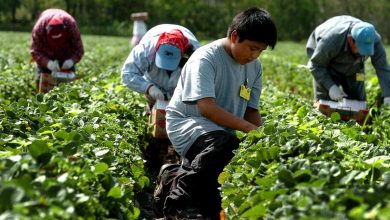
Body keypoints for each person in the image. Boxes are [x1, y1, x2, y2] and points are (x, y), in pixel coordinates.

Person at [158, 7, 277, 219]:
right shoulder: (206, 58)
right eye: (252, 48)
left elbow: (251, 111)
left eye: (260, 50)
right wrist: (250, 130)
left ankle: (170, 177)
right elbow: (207, 108)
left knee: (213, 198)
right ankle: (177, 205)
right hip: (187, 123)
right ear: (234, 36)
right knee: (226, 145)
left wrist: (263, 136)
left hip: (219, 132)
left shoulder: (255, 67)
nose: (255, 55)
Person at [306, 15, 390, 105]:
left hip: (355, 67)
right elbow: (316, 65)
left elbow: (383, 68)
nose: (363, 55)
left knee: (358, 104)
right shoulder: (331, 40)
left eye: (367, 52)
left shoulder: (374, 40)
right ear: (350, 40)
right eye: (361, 51)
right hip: (326, 62)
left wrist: (388, 96)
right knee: (325, 104)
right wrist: (330, 86)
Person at [121, 24, 200, 112]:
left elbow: (201, 82)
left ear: (182, 54)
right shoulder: (145, 50)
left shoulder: (196, 56)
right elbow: (128, 74)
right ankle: (152, 108)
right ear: (157, 48)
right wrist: (148, 87)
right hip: (153, 78)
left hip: (181, 83)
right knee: (153, 103)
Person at [30, 8, 84, 92]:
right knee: (42, 84)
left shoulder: (71, 26)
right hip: (46, 55)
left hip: (66, 54)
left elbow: (79, 49)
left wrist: (71, 61)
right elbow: (35, 51)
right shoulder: (39, 28)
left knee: (69, 88)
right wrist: (48, 63)